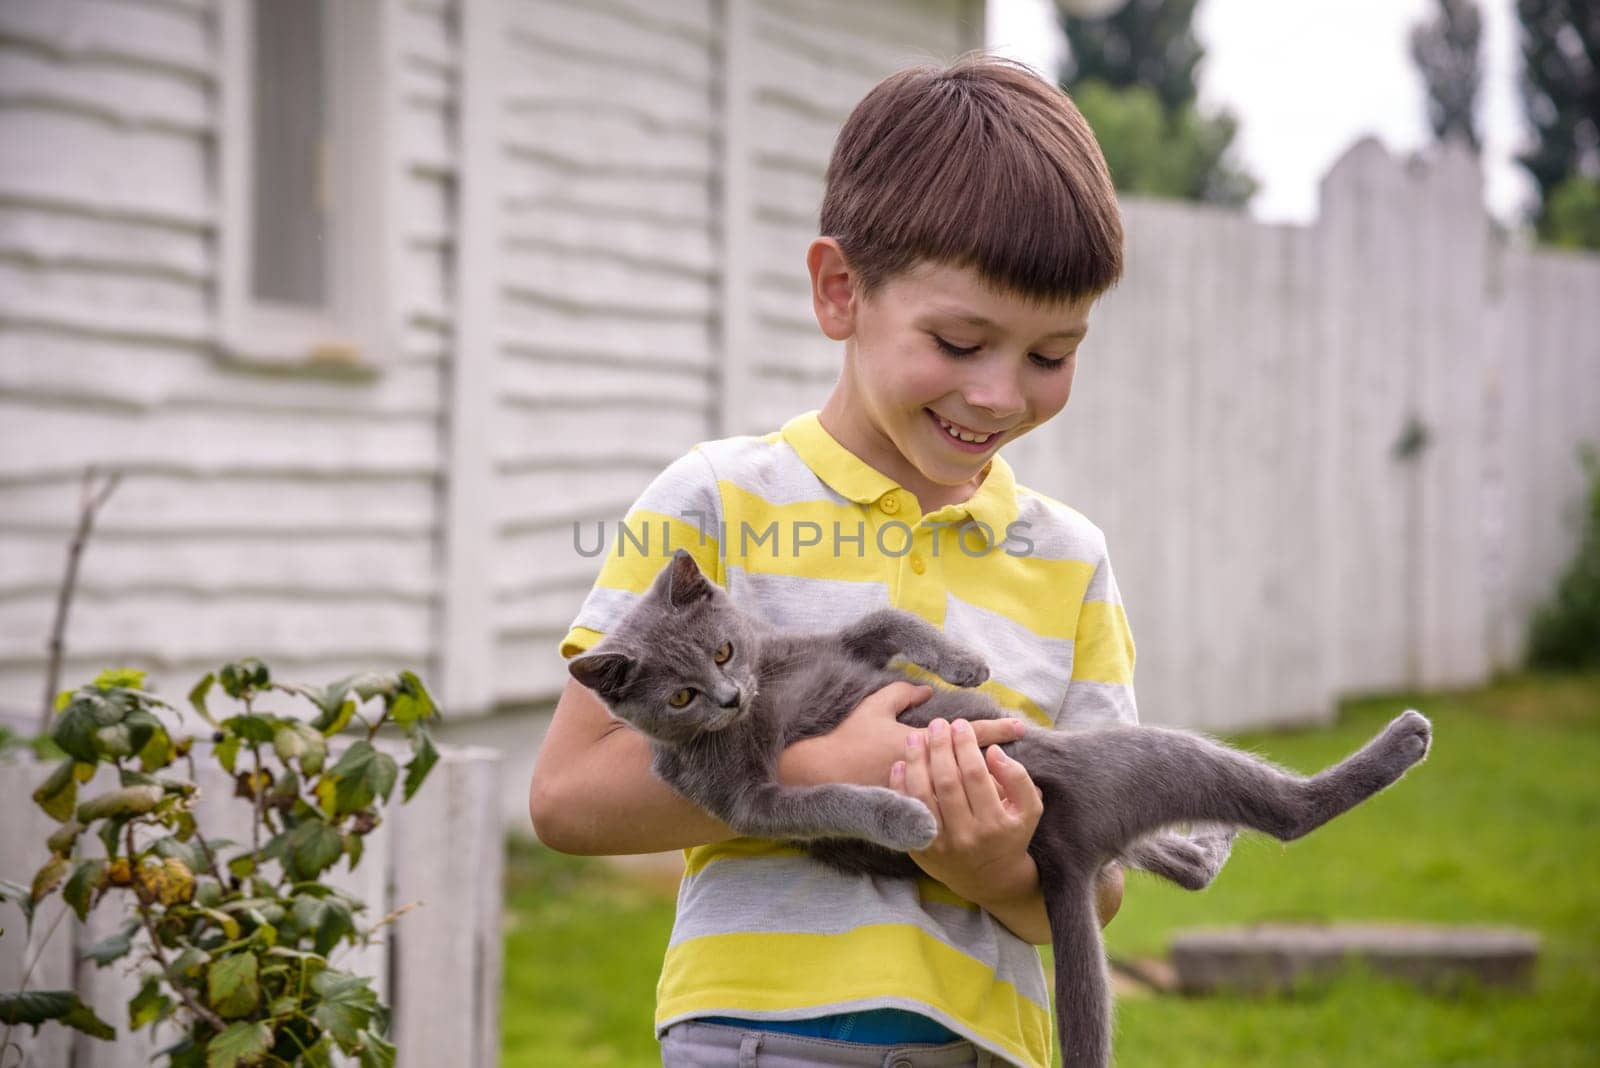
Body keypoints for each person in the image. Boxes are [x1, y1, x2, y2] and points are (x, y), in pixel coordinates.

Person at [530, 54, 1135, 1068]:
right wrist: (816, 768)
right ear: (840, 290)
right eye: (958, 340)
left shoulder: (1070, 562)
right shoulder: (717, 501)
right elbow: (565, 796)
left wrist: (994, 865)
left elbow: (1096, 889)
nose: (998, 395)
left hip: (985, 1045)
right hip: (755, 1037)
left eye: (1049, 355)